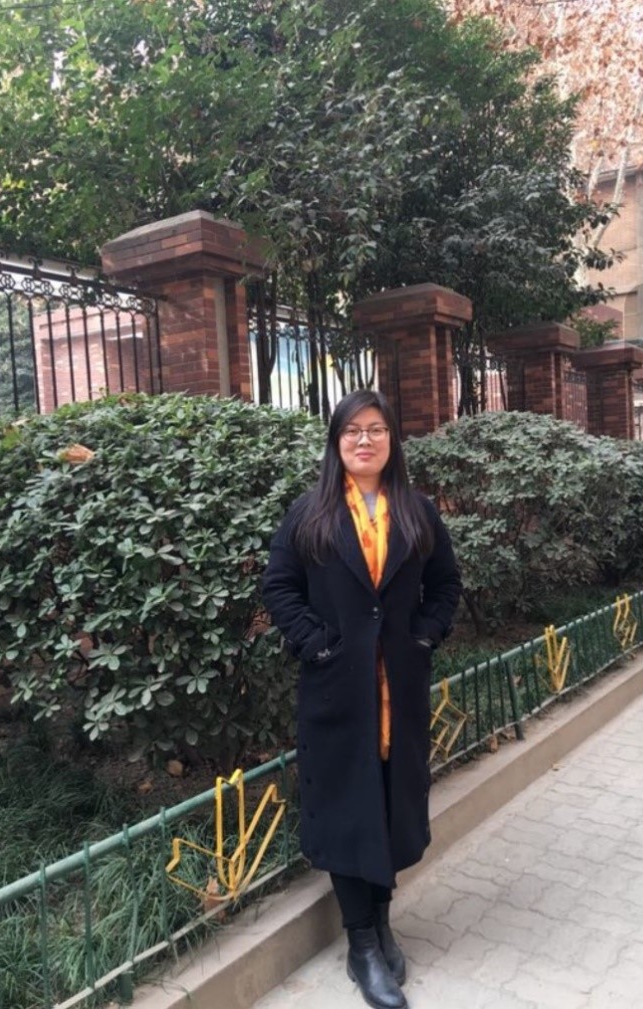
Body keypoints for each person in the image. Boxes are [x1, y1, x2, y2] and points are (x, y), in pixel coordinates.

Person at [262, 389, 461, 1009]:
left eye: (376, 429)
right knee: (349, 808)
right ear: (336, 442)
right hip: (337, 691)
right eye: (352, 431)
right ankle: (362, 944)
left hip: (398, 690)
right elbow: (279, 586)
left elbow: (445, 585)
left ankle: (382, 921)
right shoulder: (311, 514)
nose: (364, 440)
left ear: (392, 440)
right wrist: (317, 643)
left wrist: (424, 636)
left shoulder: (417, 512)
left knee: (390, 803)